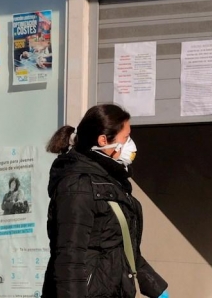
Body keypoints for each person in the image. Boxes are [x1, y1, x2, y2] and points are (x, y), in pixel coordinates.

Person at [42, 104, 169, 298]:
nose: (131, 145)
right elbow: (69, 258)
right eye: (125, 138)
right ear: (103, 140)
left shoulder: (110, 179)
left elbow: (123, 246)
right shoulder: (78, 185)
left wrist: (156, 288)